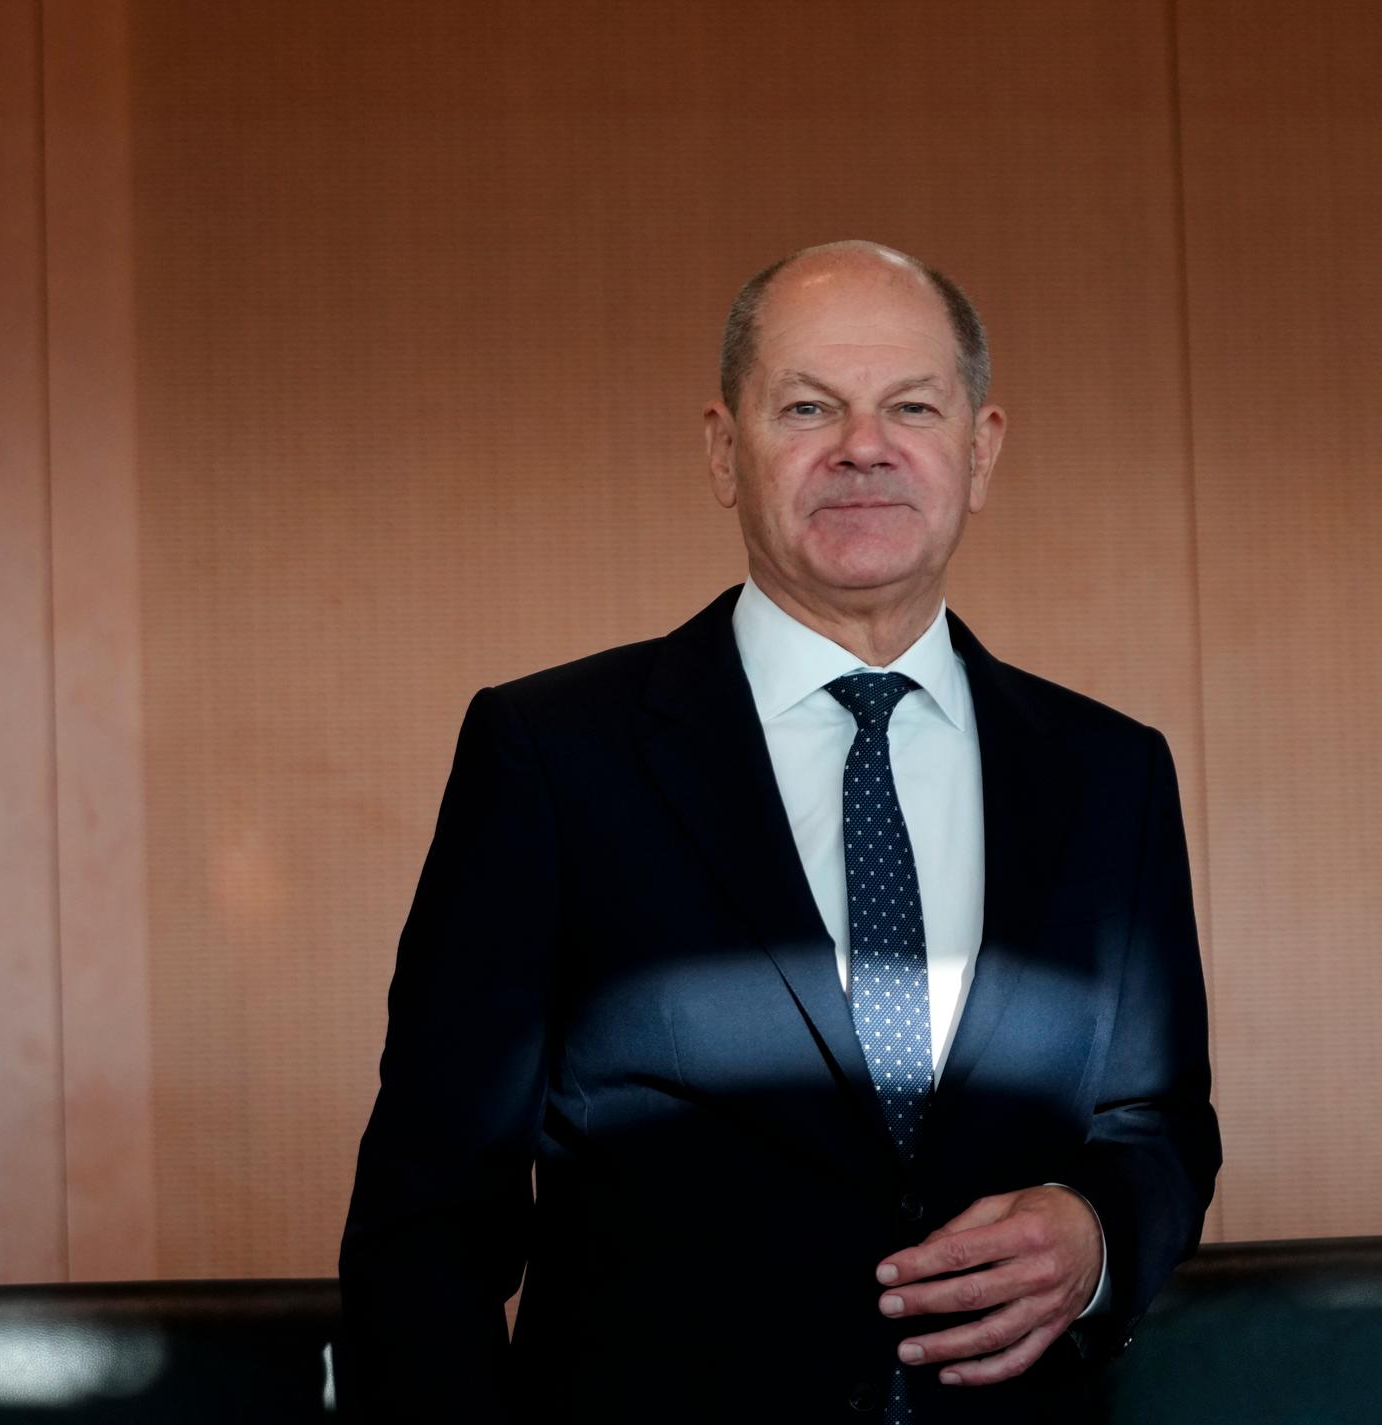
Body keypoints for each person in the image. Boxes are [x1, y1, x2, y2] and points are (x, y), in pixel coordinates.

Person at [338, 241, 1221, 1423]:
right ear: (723, 450)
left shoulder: (1109, 773)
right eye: (808, 407)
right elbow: (429, 1211)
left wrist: (1097, 1230)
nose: (863, 445)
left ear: (981, 450)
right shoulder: (551, 755)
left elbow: (1157, 1123)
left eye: (912, 407)